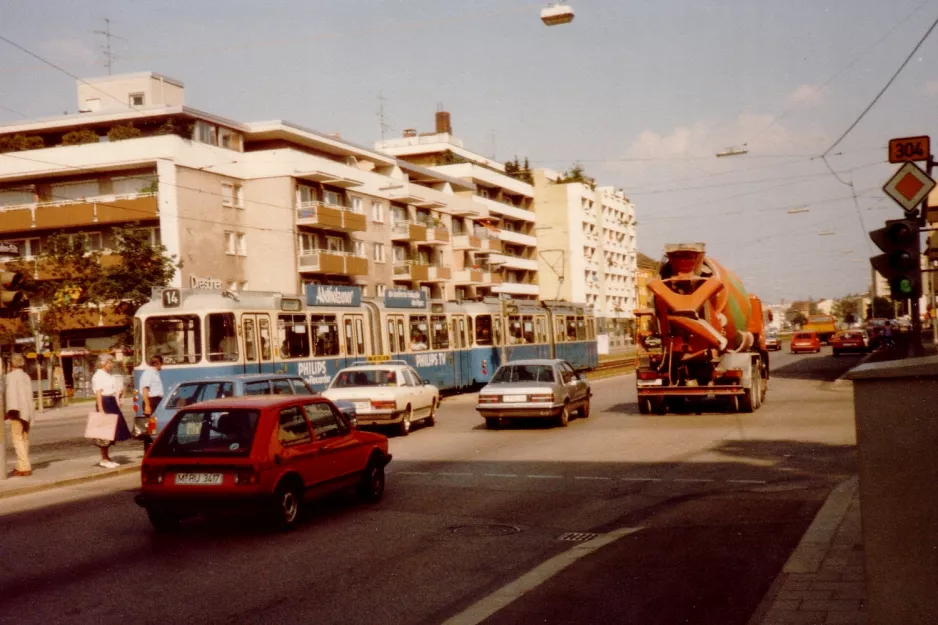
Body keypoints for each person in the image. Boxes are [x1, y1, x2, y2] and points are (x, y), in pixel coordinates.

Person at [92, 354, 132, 468]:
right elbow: (99, 393)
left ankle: (107, 457)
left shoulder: (107, 375)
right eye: (110, 362)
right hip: (104, 403)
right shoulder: (98, 376)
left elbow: (110, 390)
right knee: (105, 432)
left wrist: (118, 396)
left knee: (114, 429)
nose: (112, 365)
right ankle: (104, 459)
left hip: (110, 401)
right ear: (104, 363)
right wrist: (101, 410)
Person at [5, 354, 34, 477]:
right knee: (24, 438)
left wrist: (10, 411)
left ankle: (25, 466)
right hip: (27, 411)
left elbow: (10, 394)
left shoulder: (10, 377)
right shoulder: (26, 376)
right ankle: (21, 465)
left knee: (17, 439)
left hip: (16, 411)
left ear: (11, 363)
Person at [139, 355, 164, 450]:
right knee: (150, 427)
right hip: (151, 401)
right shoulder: (148, 373)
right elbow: (145, 389)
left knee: (153, 426)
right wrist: (147, 406)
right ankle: (148, 449)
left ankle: (153, 448)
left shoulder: (155, 373)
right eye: (161, 364)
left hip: (155, 401)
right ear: (158, 363)